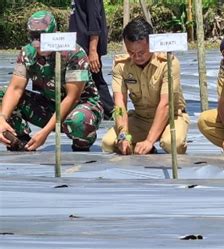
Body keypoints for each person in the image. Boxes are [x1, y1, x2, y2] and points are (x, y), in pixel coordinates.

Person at [0, 10, 103, 152]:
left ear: (54, 34)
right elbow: (15, 89)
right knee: (2, 95)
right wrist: (2, 118)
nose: (37, 43)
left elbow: (72, 97)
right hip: (49, 105)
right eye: (33, 37)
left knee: (77, 121)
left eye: (42, 37)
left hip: (79, 107)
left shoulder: (74, 54)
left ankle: (82, 141)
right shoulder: (27, 53)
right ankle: (20, 141)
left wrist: (45, 132)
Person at [101, 17, 189, 155]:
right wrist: (123, 135)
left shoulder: (168, 63)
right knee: (109, 143)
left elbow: (165, 105)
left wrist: (149, 140)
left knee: (173, 144)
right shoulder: (121, 66)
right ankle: (142, 145)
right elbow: (119, 105)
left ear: (151, 44)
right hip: (141, 119)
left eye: (141, 52)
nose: (136, 57)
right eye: (131, 52)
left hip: (171, 118)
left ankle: (150, 142)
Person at [69, 0, 114, 120]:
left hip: (88, 46)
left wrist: (93, 50)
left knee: (95, 78)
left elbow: (95, 20)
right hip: (79, 45)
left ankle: (111, 111)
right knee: (88, 80)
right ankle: (103, 110)